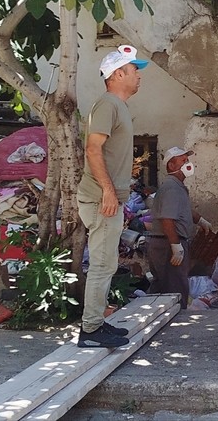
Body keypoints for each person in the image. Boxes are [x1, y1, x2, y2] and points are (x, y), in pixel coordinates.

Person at [77, 44, 149, 348]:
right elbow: (93, 149)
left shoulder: (117, 106)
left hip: (108, 198)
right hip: (100, 199)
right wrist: (108, 190)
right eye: (134, 70)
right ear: (118, 74)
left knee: (105, 264)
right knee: (103, 264)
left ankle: (96, 324)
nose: (138, 75)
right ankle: (91, 330)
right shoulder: (107, 105)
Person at [144, 146, 213, 306]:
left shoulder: (176, 187)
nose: (187, 163)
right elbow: (167, 219)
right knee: (175, 287)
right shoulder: (171, 188)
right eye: (183, 160)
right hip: (167, 243)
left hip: (166, 242)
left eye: (187, 160)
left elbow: (183, 209)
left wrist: (200, 220)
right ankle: (174, 322)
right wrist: (176, 246)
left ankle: (158, 319)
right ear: (171, 166)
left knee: (164, 287)